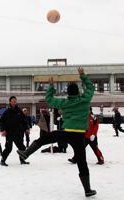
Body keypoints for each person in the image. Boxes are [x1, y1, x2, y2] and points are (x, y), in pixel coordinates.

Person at [17, 67, 97, 197]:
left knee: (45, 139)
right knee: (82, 162)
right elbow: (91, 88)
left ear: (68, 93)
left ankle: (26, 153)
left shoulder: (64, 102)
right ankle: (87, 189)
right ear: (78, 92)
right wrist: (82, 76)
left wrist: (51, 87)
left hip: (66, 132)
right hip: (79, 135)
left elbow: (49, 99)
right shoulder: (85, 100)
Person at [0, 96, 30, 166]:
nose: (14, 102)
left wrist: (26, 128)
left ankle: (22, 160)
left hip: (17, 133)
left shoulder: (19, 111)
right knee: (8, 148)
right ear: (10, 102)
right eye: (13, 101)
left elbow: (24, 121)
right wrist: (3, 130)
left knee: (22, 147)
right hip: (9, 133)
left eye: (15, 101)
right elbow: (1, 122)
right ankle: (2, 160)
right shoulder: (6, 111)